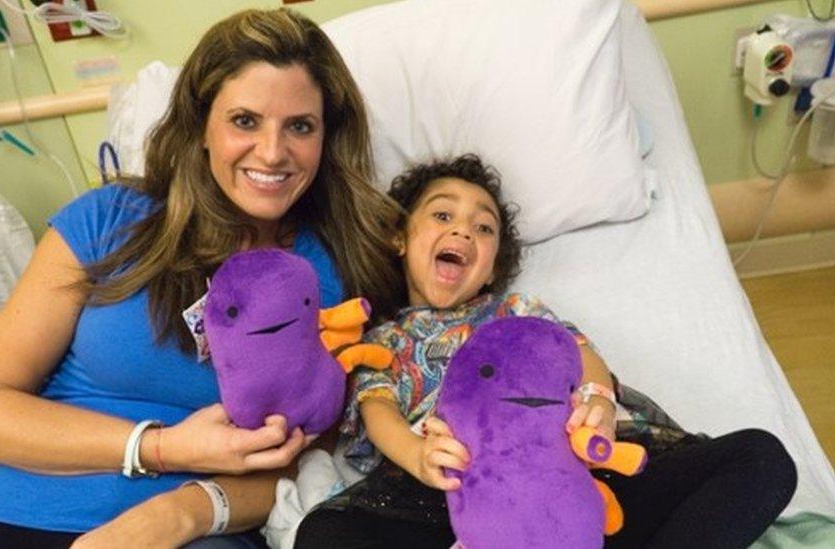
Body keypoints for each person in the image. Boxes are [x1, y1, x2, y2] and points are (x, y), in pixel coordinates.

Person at [0, 8, 404, 548]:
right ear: (201, 125)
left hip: (202, 527)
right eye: (245, 121)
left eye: (300, 126)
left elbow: (309, 460)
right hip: (27, 507)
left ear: (327, 137)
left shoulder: (339, 265)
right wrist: (162, 448)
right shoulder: (108, 220)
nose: (273, 153)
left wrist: (182, 513)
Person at [294, 154, 798, 549]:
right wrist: (419, 456)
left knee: (762, 458)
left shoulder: (519, 311)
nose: (463, 230)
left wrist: (598, 401)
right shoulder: (386, 340)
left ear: (492, 267)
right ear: (400, 238)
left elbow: (581, 354)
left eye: (483, 227)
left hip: (573, 476)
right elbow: (378, 411)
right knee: (323, 535)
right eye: (442, 214)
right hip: (451, 488)